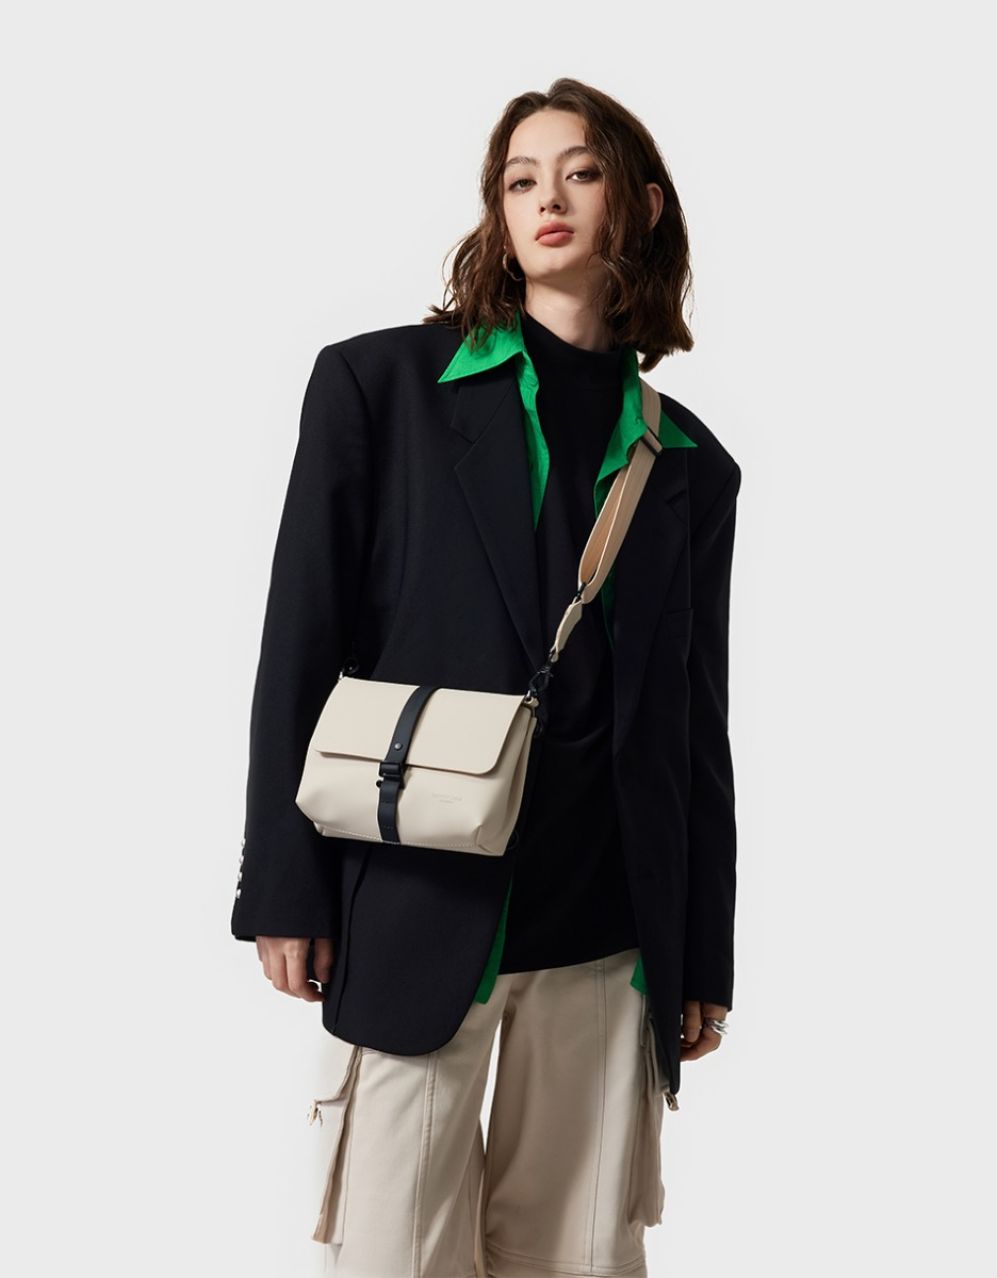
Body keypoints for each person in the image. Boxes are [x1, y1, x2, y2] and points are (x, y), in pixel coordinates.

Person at [231, 76, 741, 1278]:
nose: (547, 198)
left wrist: (699, 949)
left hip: (606, 924)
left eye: (580, 171)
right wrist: (285, 884)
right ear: (498, 217)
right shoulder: (380, 389)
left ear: (640, 205)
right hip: (418, 897)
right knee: (394, 1254)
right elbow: (300, 639)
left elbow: (692, 722)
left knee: (577, 1257)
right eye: (520, 180)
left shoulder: (688, 464)